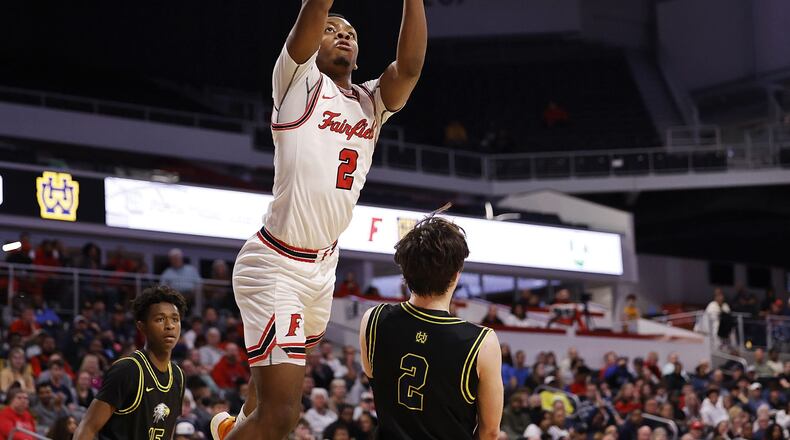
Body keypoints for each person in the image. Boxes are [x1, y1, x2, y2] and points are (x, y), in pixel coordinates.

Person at [211, 0, 427, 438]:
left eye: (351, 32)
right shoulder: (297, 81)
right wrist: (319, 15)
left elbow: (409, 68)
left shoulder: (370, 101)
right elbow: (314, 9)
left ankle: (230, 429)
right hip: (277, 263)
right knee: (283, 415)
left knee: (267, 395)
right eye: (332, 29)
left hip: (322, 267)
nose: (343, 34)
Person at [359, 216, 503, 439]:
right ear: (456, 275)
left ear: (405, 272)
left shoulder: (374, 319)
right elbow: (490, 432)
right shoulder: (481, 342)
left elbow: (375, 380)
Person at [73, 286, 187, 439]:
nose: (170, 326)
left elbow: (167, 432)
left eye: (175, 319)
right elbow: (86, 429)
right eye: (160, 319)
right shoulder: (128, 370)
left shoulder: (178, 376)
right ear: (142, 326)